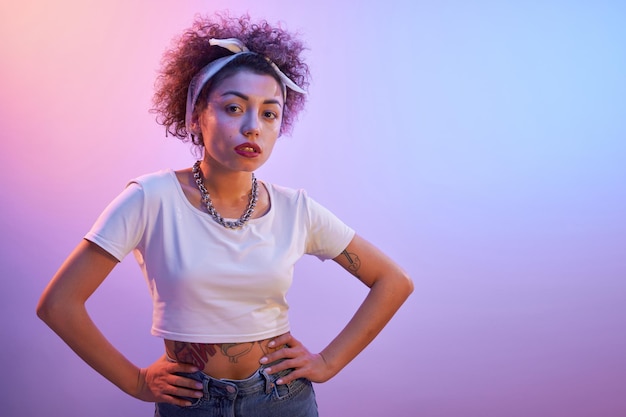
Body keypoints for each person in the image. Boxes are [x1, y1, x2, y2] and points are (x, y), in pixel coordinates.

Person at [37, 13, 413, 417]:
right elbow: (59, 304)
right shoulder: (150, 198)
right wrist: (136, 382)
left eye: (269, 113)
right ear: (197, 115)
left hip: (282, 399)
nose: (253, 127)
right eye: (234, 107)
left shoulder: (295, 210)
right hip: (192, 403)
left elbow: (393, 281)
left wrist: (327, 362)